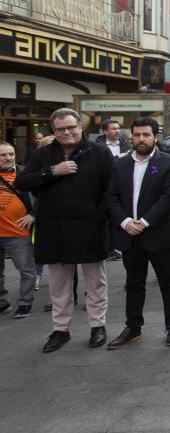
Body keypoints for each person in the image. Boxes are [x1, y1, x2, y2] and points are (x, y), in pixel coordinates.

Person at [17, 108, 114, 353]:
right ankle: (60, 330)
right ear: (53, 131)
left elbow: (111, 190)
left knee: (96, 283)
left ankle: (97, 326)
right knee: (58, 285)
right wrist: (51, 172)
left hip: (90, 228)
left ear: (80, 127)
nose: (66, 132)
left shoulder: (99, 152)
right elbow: (22, 182)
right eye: (60, 129)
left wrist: (98, 216)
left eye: (71, 127)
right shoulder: (43, 154)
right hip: (54, 228)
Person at [105, 118, 170, 349]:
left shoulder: (168, 162)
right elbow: (111, 196)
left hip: (158, 234)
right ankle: (133, 326)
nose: (141, 139)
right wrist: (126, 221)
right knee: (134, 283)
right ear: (131, 137)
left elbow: (169, 197)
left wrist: (145, 222)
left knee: (167, 282)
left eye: (146, 135)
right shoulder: (120, 164)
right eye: (137, 135)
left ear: (155, 137)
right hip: (129, 235)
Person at [0, 142, 37, 319]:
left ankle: (25, 303)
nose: (8, 158)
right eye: (3, 155)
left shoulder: (24, 173)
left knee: (27, 270)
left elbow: (43, 195)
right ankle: (2, 302)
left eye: (11, 154)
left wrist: (33, 214)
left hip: (17, 233)